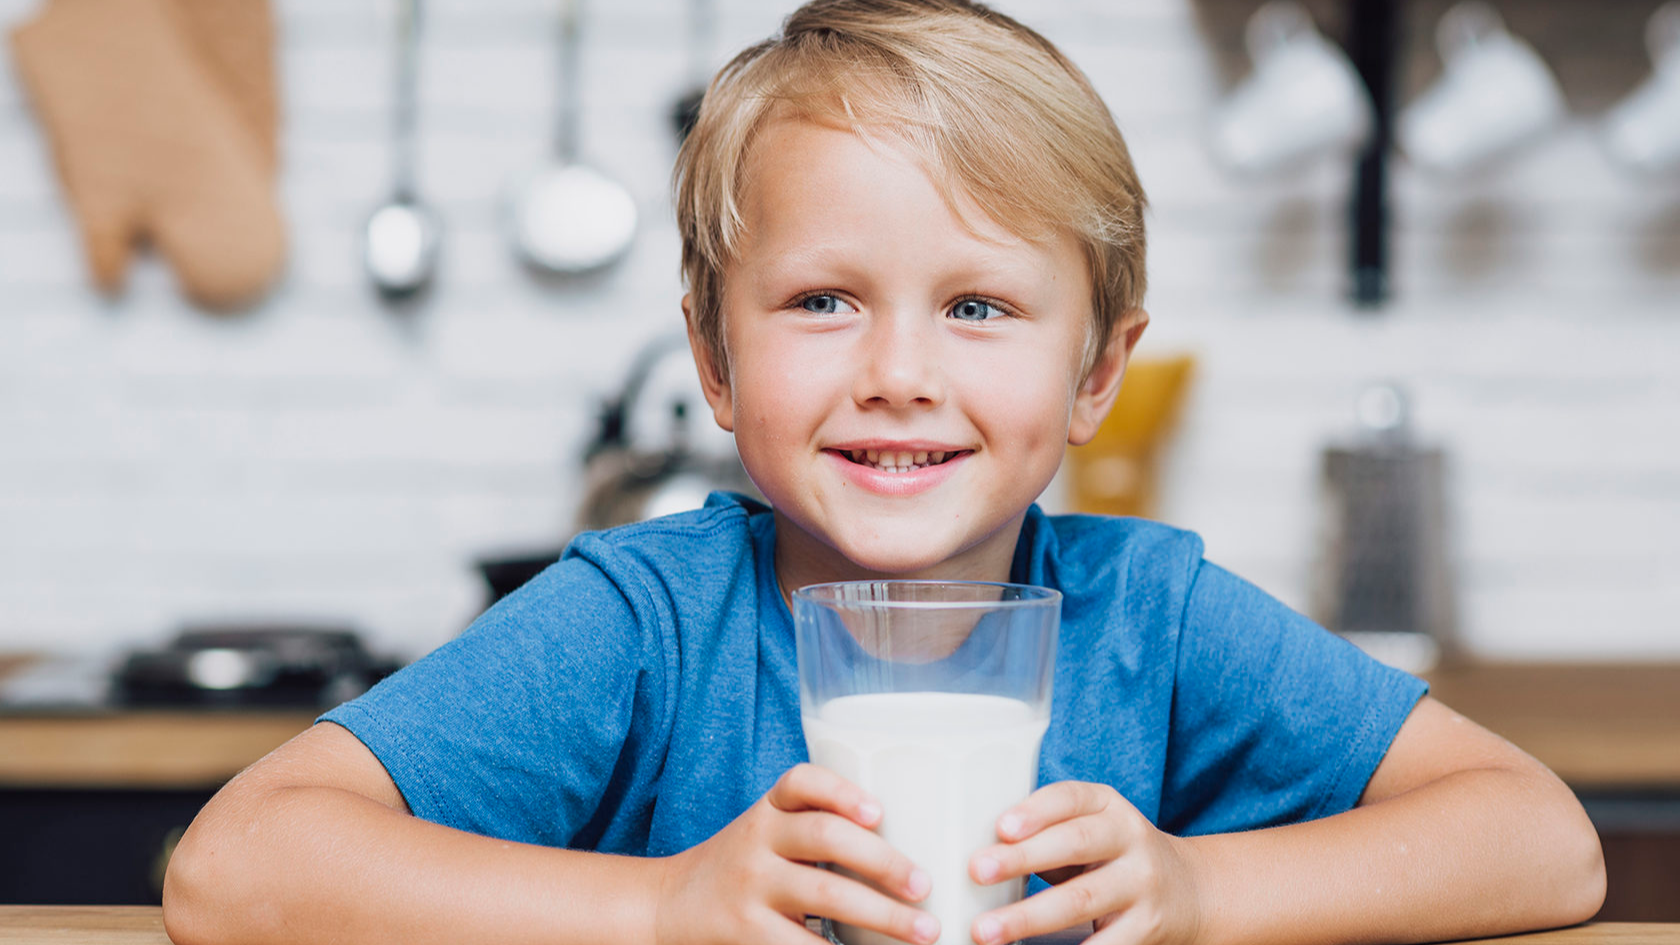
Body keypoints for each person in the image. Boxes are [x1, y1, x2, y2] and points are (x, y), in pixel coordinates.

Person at [161, 2, 1606, 944]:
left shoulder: (1147, 616)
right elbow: (237, 867)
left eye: (978, 308)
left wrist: (1205, 888)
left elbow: (1544, 842)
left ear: (1096, 373)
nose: (897, 372)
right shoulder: (647, 622)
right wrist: (663, 912)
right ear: (715, 366)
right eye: (821, 301)